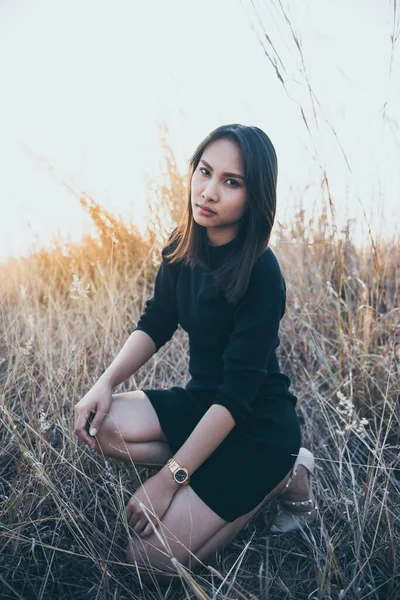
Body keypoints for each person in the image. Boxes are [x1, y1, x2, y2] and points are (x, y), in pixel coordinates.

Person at [73, 123, 317, 585]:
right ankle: (203, 463)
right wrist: (103, 384)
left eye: (231, 182)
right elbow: (156, 322)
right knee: (97, 424)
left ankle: (284, 474)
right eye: (204, 172)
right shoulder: (182, 243)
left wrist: (168, 481)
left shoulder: (262, 272)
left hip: (256, 430)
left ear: (254, 196)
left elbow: (237, 396)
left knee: (143, 563)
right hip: (203, 403)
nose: (208, 192)